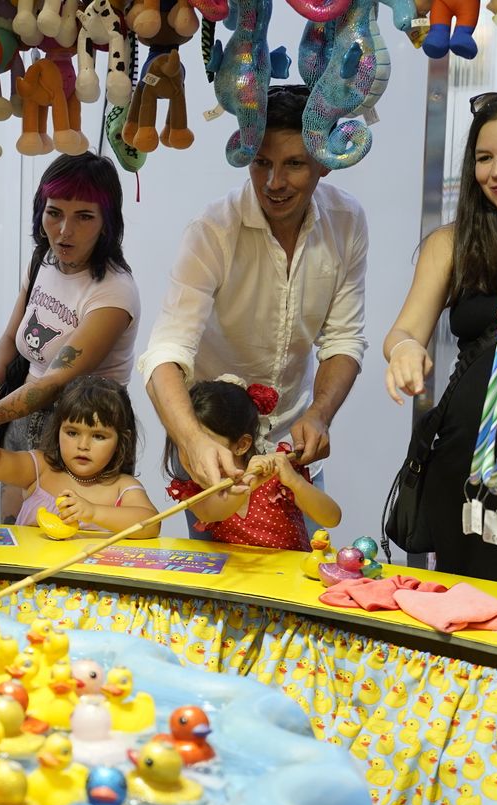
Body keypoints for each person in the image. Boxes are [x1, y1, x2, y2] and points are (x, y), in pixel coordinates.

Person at [138, 84, 368, 500]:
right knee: (214, 565)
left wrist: (319, 415)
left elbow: (343, 340)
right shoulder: (213, 229)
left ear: (326, 162)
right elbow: (165, 353)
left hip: (290, 446)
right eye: (261, 163)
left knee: (296, 557)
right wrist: (192, 440)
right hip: (213, 438)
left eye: (294, 163)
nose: (274, 182)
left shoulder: (347, 219)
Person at [383, 88, 497, 578]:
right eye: (484, 158)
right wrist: (406, 350)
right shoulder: (452, 242)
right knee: (467, 594)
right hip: (465, 457)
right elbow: (404, 330)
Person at [0, 152, 139, 522]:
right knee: (12, 535)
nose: (64, 230)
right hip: (21, 411)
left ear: (107, 223)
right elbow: (9, 339)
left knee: (70, 543)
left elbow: (55, 381)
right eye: (54, 213)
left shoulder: (114, 292)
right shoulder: (43, 260)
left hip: (81, 432)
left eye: (84, 216)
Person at [0, 376, 158, 535]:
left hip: (89, 596)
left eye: (99, 436)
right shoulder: (41, 468)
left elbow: (151, 523)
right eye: (72, 433)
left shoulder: (123, 486)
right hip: (27, 591)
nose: (83, 445)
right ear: (57, 430)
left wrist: (93, 512)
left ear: (122, 440)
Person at [166, 378, 343, 551]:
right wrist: (246, 485)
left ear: (241, 445)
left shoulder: (274, 478)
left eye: (208, 442)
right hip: (234, 578)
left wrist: (295, 482)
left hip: (287, 577)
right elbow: (210, 513)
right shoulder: (198, 485)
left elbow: (332, 518)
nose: (199, 453)